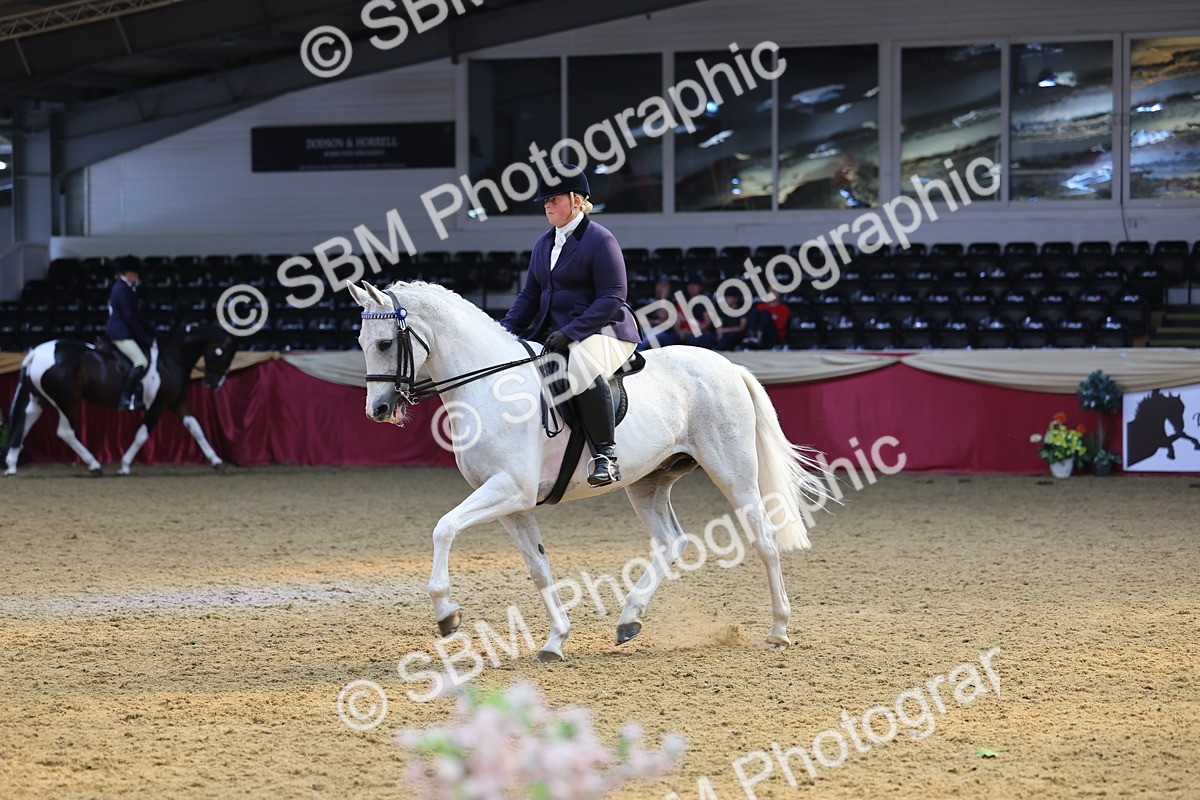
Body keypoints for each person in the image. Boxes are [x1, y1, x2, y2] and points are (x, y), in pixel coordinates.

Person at [501, 164, 640, 487]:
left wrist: (572, 333)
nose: (547, 205)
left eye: (554, 199)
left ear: (577, 200)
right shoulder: (544, 244)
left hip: (607, 330)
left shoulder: (600, 240)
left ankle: (606, 455)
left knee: (579, 366)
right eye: (545, 201)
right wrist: (503, 332)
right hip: (558, 333)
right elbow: (529, 296)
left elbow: (613, 296)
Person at [106, 258, 154, 410]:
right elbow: (130, 317)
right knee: (141, 361)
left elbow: (137, 314)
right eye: (136, 274)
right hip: (120, 332)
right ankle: (125, 398)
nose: (138, 277)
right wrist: (143, 336)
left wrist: (152, 330)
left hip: (124, 329)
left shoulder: (125, 288)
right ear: (128, 273)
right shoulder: (122, 290)